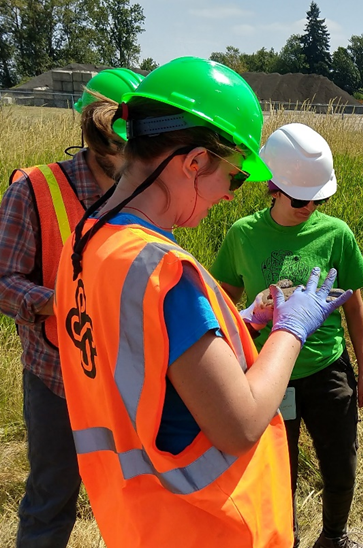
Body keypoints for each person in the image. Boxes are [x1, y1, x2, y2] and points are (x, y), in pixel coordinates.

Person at [51, 56, 351, 548]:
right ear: (193, 162)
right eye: (234, 177)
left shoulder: (85, 243)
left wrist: (242, 319)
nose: (234, 196)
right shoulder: (164, 272)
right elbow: (240, 423)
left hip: (137, 518)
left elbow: (146, 357)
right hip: (203, 525)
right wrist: (290, 330)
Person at [211, 122, 363, 549]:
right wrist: (252, 313)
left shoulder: (336, 233)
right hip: (268, 376)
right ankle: (286, 540)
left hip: (327, 369)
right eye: (302, 198)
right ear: (275, 189)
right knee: (277, 470)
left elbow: (353, 307)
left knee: (341, 465)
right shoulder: (243, 235)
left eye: (320, 198)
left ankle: (334, 537)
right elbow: (222, 309)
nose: (310, 207)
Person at [0, 66, 141, 548]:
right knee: (52, 497)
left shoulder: (141, 197)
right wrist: (55, 302)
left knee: (130, 498)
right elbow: (3, 280)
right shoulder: (33, 189)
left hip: (124, 381)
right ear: (98, 133)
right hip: (56, 380)